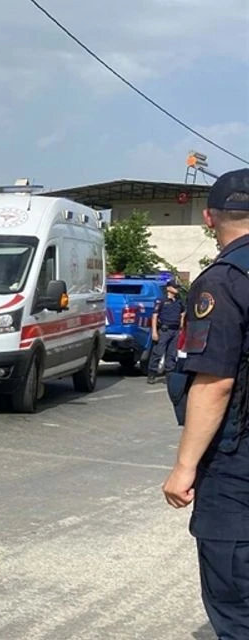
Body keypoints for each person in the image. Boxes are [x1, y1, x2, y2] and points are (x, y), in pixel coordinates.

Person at [161, 168, 249, 637]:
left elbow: (215, 383)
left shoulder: (224, 281)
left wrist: (185, 466)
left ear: (210, 218)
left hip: (238, 468)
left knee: (236, 602)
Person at [148, 281, 186, 384]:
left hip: (175, 331)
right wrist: (154, 332)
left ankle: (169, 375)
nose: (177, 289)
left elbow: (183, 313)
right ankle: (152, 374)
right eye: (174, 287)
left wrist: (181, 325)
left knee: (172, 354)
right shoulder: (161, 300)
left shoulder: (179, 301)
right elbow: (155, 316)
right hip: (164, 330)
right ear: (168, 288)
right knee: (158, 352)